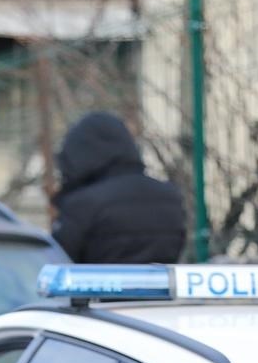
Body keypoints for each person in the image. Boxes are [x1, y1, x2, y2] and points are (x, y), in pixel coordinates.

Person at [50, 111, 186, 265]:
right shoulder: (170, 197)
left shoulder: (83, 204)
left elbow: (58, 260)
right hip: (160, 288)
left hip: (98, 287)